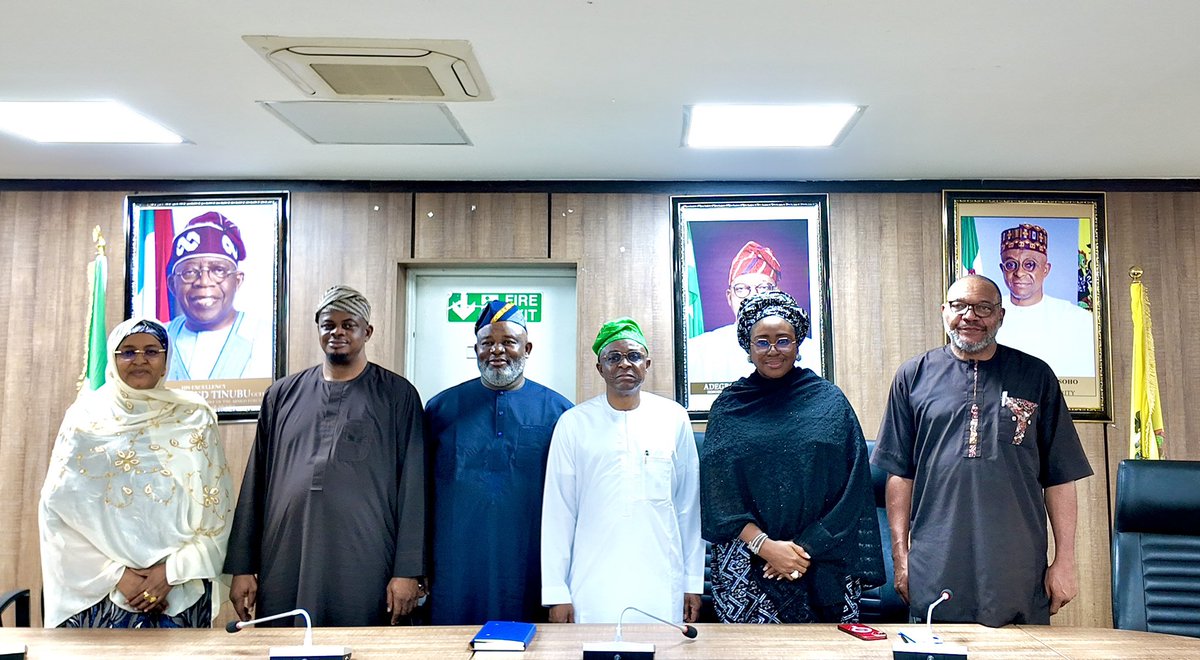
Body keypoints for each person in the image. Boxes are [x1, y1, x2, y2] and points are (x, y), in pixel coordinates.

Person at [872, 274, 1093, 627]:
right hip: (936, 560)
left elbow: (1060, 477)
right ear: (944, 312)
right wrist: (901, 558)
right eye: (959, 306)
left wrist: (1065, 560)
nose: (970, 316)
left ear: (1000, 316)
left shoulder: (1036, 376)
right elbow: (900, 474)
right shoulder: (913, 376)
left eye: (983, 308)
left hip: (1017, 562)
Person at [224, 285, 426, 627]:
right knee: (283, 643)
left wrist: (408, 571)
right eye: (328, 324)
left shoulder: (397, 395)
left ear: (367, 331)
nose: (338, 332)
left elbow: (414, 489)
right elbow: (255, 483)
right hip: (286, 555)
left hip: (366, 557)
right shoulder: (282, 395)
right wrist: (242, 567)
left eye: (349, 325)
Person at [700, 291, 883, 624]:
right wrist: (766, 546)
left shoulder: (830, 403)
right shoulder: (728, 408)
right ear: (748, 346)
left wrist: (804, 548)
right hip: (748, 564)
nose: (773, 351)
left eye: (783, 340)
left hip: (824, 557)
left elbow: (855, 486)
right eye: (762, 341)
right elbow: (718, 496)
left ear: (798, 343)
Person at [39, 318, 232, 628]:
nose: (140, 359)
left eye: (151, 351)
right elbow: (57, 510)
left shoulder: (195, 415)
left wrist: (171, 573)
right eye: (127, 351)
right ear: (114, 360)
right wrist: (117, 576)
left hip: (179, 587)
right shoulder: (84, 418)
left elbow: (217, 509)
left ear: (166, 359)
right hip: (101, 593)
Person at [541, 318, 704, 624]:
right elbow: (558, 513)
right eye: (613, 358)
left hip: (660, 578)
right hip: (591, 583)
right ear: (600, 367)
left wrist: (692, 582)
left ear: (647, 363)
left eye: (634, 356)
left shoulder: (673, 418)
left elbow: (688, 507)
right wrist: (556, 591)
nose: (624, 365)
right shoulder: (574, 423)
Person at [425, 300, 573, 625]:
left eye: (508, 342)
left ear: (527, 348)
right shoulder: (440, 410)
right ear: (475, 348)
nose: (497, 351)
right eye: (487, 343)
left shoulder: (561, 413)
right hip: (456, 564)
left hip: (530, 562)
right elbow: (420, 495)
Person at [686, 241, 819, 389]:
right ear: (730, 297)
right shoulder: (697, 351)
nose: (753, 297)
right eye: (741, 288)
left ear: (777, 293)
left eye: (763, 288)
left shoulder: (813, 351)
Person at [165, 211, 272, 381]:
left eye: (218, 271)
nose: (204, 282)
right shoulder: (156, 339)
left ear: (237, 281)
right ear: (172, 285)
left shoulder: (268, 338)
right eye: (190, 272)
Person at [993, 223, 1095, 376]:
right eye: (1011, 265)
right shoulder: (987, 317)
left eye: (1029, 265)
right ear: (1002, 269)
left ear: (1045, 269)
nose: (1019, 273)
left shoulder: (1078, 319)